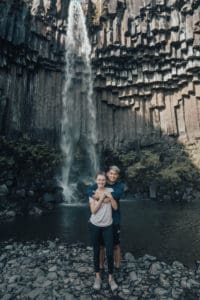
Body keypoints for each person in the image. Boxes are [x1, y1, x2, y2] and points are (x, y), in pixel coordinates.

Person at [87, 166, 124, 270]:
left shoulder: (120, 186)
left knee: (116, 244)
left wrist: (104, 197)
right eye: (111, 173)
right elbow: (89, 190)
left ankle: (117, 265)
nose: (113, 176)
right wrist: (98, 197)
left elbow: (116, 195)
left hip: (114, 218)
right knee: (102, 245)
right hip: (102, 219)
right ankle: (101, 265)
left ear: (117, 176)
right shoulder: (103, 181)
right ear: (107, 174)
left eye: (115, 174)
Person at [89, 172, 118, 291]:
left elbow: (115, 207)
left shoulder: (110, 190)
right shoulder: (92, 193)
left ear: (105, 181)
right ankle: (97, 277)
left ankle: (111, 278)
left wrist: (110, 197)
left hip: (108, 226)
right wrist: (101, 198)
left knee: (110, 253)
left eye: (103, 180)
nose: (101, 182)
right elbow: (93, 211)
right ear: (96, 181)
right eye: (99, 180)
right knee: (96, 251)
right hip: (95, 225)